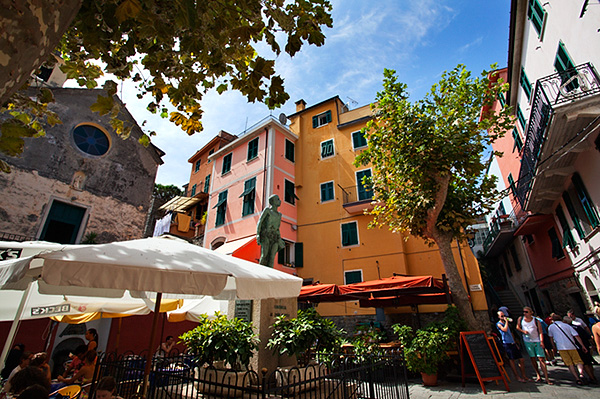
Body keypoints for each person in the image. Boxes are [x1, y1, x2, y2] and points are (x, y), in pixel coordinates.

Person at [547, 313, 587, 385]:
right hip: (572, 346)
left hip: (561, 347)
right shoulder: (567, 325)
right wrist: (582, 346)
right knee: (578, 361)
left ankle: (577, 378)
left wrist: (553, 347)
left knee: (569, 364)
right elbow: (576, 336)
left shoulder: (551, 327)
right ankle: (581, 374)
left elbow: (551, 338)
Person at [516, 307, 551, 384]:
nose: (524, 313)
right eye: (524, 312)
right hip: (527, 341)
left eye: (526, 312)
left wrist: (541, 341)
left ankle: (546, 377)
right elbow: (517, 327)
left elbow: (540, 331)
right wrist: (523, 331)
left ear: (531, 312)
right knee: (533, 358)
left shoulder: (536, 321)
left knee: (541, 358)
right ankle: (538, 374)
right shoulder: (520, 319)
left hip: (537, 340)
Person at [496, 310, 529, 382]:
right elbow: (504, 330)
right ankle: (517, 377)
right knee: (512, 360)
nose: (504, 317)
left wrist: (515, 342)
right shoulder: (499, 324)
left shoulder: (506, 324)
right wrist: (506, 322)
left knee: (521, 359)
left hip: (512, 343)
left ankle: (523, 375)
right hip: (506, 343)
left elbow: (511, 333)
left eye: (504, 315)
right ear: (498, 317)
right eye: (502, 316)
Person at [564, 316, 597, 384]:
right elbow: (587, 336)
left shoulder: (567, 329)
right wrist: (592, 344)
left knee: (584, 363)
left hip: (578, 347)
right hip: (585, 345)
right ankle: (592, 376)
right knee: (588, 362)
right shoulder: (578, 327)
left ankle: (591, 377)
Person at [256, 194, 285, 268]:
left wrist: (280, 239)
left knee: (272, 257)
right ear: (272, 201)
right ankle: (260, 271)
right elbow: (260, 222)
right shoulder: (267, 211)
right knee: (265, 254)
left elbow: (277, 228)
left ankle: (269, 275)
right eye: (277, 199)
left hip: (275, 237)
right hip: (266, 235)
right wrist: (258, 234)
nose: (280, 201)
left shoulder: (279, 215)